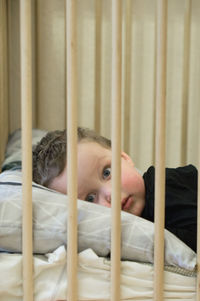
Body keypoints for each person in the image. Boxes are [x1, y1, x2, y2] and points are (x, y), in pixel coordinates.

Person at [32, 127, 197, 252]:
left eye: (107, 173)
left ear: (124, 158)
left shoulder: (164, 185)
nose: (111, 194)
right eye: (90, 198)